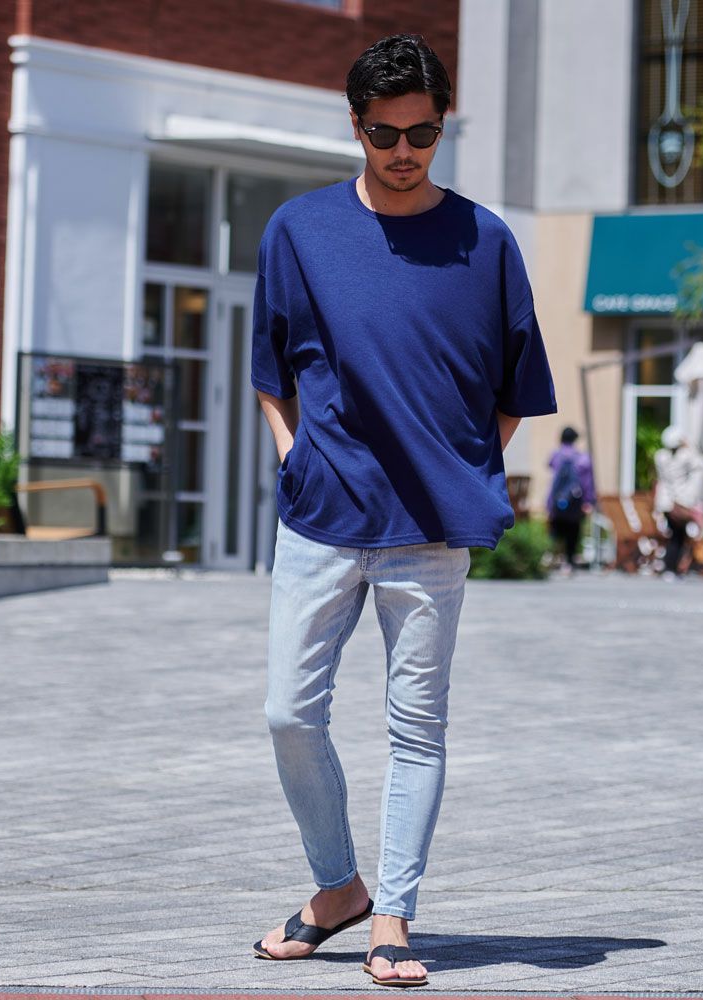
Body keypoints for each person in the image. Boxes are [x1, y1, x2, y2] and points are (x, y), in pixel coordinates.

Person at [249, 34, 556, 988]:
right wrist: (295, 457)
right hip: (320, 518)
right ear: (356, 126)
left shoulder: (485, 241)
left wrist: (464, 469)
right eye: (385, 134)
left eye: (422, 133)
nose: (404, 152)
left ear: (442, 126)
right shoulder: (299, 230)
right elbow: (271, 369)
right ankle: (337, 886)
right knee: (288, 713)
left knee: (417, 728)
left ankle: (393, 916)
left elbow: (516, 387)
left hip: (430, 531)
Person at [653, 426, 703, 578]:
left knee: (675, 535)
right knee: (678, 536)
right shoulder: (685, 456)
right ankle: (671, 568)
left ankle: (671, 567)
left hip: (666, 503)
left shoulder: (660, 456)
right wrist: (690, 446)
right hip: (680, 502)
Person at [546, 426, 596, 574]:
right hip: (575, 502)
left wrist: (548, 503)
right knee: (573, 530)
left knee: (556, 530)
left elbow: (552, 475)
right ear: (575, 439)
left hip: (557, 501)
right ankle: (569, 562)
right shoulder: (582, 458)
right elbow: (587, 482)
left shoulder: (556, 455)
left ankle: (553, 558)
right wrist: (588, 501)